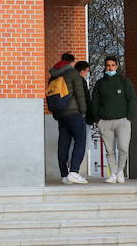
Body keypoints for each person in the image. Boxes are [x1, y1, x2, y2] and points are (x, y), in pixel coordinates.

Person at [90, 55, 136, 183]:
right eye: (108, 65)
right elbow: (95, 102)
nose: (110, 68)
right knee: (109, 150)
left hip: (123, 121)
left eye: (112, 65)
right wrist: (98, 119)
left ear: (117, 66)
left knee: (123, 148)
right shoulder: (100, 84)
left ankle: (120, 171)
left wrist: (129, 117)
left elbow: (132, 99)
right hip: (105, 122)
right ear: (104, 67)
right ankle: (113, 173)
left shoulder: (124, 82)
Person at [46, 53, 90, 184]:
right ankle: (74, 172)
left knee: (63, 143)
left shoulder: (53, 75)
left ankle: (64, 175)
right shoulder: (73, 74)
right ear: (71, 63)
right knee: (81, 140)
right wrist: (83, 112)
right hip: (74, 113)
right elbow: (80, 95)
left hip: (60, 114)